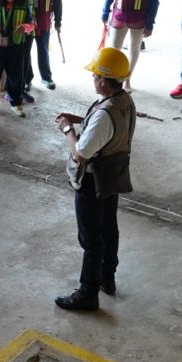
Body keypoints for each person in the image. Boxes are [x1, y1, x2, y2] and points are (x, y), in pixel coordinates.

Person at [53, 48, 136, 312]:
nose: (93, 79)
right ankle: (106, 277)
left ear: (103, 80)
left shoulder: (103, 113)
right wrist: (79, 119)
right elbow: (107, 129)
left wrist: (67, 129)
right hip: (113, 174)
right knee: (109, 227)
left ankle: (88, 292)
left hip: (93, 180)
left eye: (96, 75)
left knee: (90, 238)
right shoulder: (124, 100)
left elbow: (81, 153)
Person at [27, 0, 63, 91]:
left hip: (44, 21)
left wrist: (58, 21)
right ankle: (27, 79)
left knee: (43, 49)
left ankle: (46, 77)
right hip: (27, 21)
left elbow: (58, 0)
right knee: (26, 51)